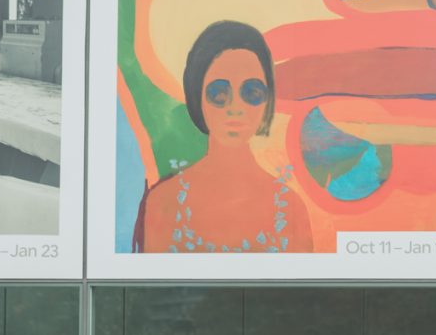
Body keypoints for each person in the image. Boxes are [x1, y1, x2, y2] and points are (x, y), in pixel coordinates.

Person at [133, 20, 313, 253]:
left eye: (252, 92)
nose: (235, 106)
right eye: (219, 92)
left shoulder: (291, 210)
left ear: (268, 99)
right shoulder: (163, 203)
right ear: (197, 95)